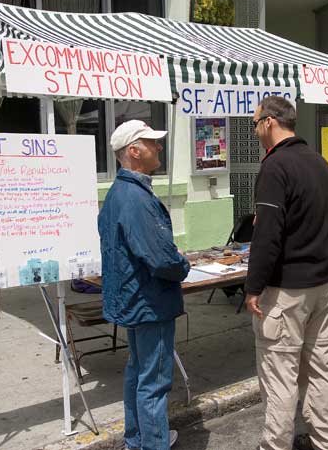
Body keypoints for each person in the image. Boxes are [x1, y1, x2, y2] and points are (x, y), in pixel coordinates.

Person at [244, 95, 328, 450]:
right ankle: (326, 441)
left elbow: (266, 236)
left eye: (255, 123)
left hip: (289, 288)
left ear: (269, 122)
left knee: (280, 376)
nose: (254, 131)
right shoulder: (318, 162)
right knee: (321, 367)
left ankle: (276, 445)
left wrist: (253, 287)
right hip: (325, 281)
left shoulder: (275, 166)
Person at [98, 119, 189, 450]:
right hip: (149, 302)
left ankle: (138, 441)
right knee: (153, 381)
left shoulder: (119, 192)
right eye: (152, 143)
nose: (159, 147)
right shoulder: (136, 198)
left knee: (138, 373)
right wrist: (183, 264)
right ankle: (152, 444)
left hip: (134, 300)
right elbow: (162, 259)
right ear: (134, 151)